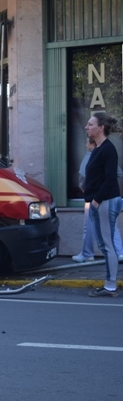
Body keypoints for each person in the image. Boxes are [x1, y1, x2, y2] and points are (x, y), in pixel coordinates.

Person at [83, 112, 122, 297]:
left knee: (107, 244)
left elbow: (109, 179)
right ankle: (109, 284)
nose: (87, 127)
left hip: (105, 201)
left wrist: (97, 200)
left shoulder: (107, 149)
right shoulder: (98, 148)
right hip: (99, 201)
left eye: (90, 124)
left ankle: (110, 286)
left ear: (101, 128)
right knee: (105, 243)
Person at [73, 136, 123, 263]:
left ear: (92, 144)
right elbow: (118, 174)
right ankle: (119, 253)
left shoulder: (90, 156)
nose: (85, 145)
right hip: (108, 196)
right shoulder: (107, 153)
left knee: (89, 226)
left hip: (94, 198)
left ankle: (87, 253)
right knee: (111, 225)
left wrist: (89, 190)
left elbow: (83, 177)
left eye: (87, 142)